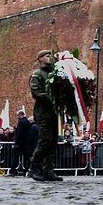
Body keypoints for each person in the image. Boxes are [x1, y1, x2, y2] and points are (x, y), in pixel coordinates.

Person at [28, 49, 62, 182]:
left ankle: (49, 170)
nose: (50, 58)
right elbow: (36, 92)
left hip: (53, 113)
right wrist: (53, 98)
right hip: (43, 113)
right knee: (45, 141)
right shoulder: (37, 74)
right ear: (40, 58)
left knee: (53, 143)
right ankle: (34, 168)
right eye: (47, 56)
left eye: (50, 56)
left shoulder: (54, 73)